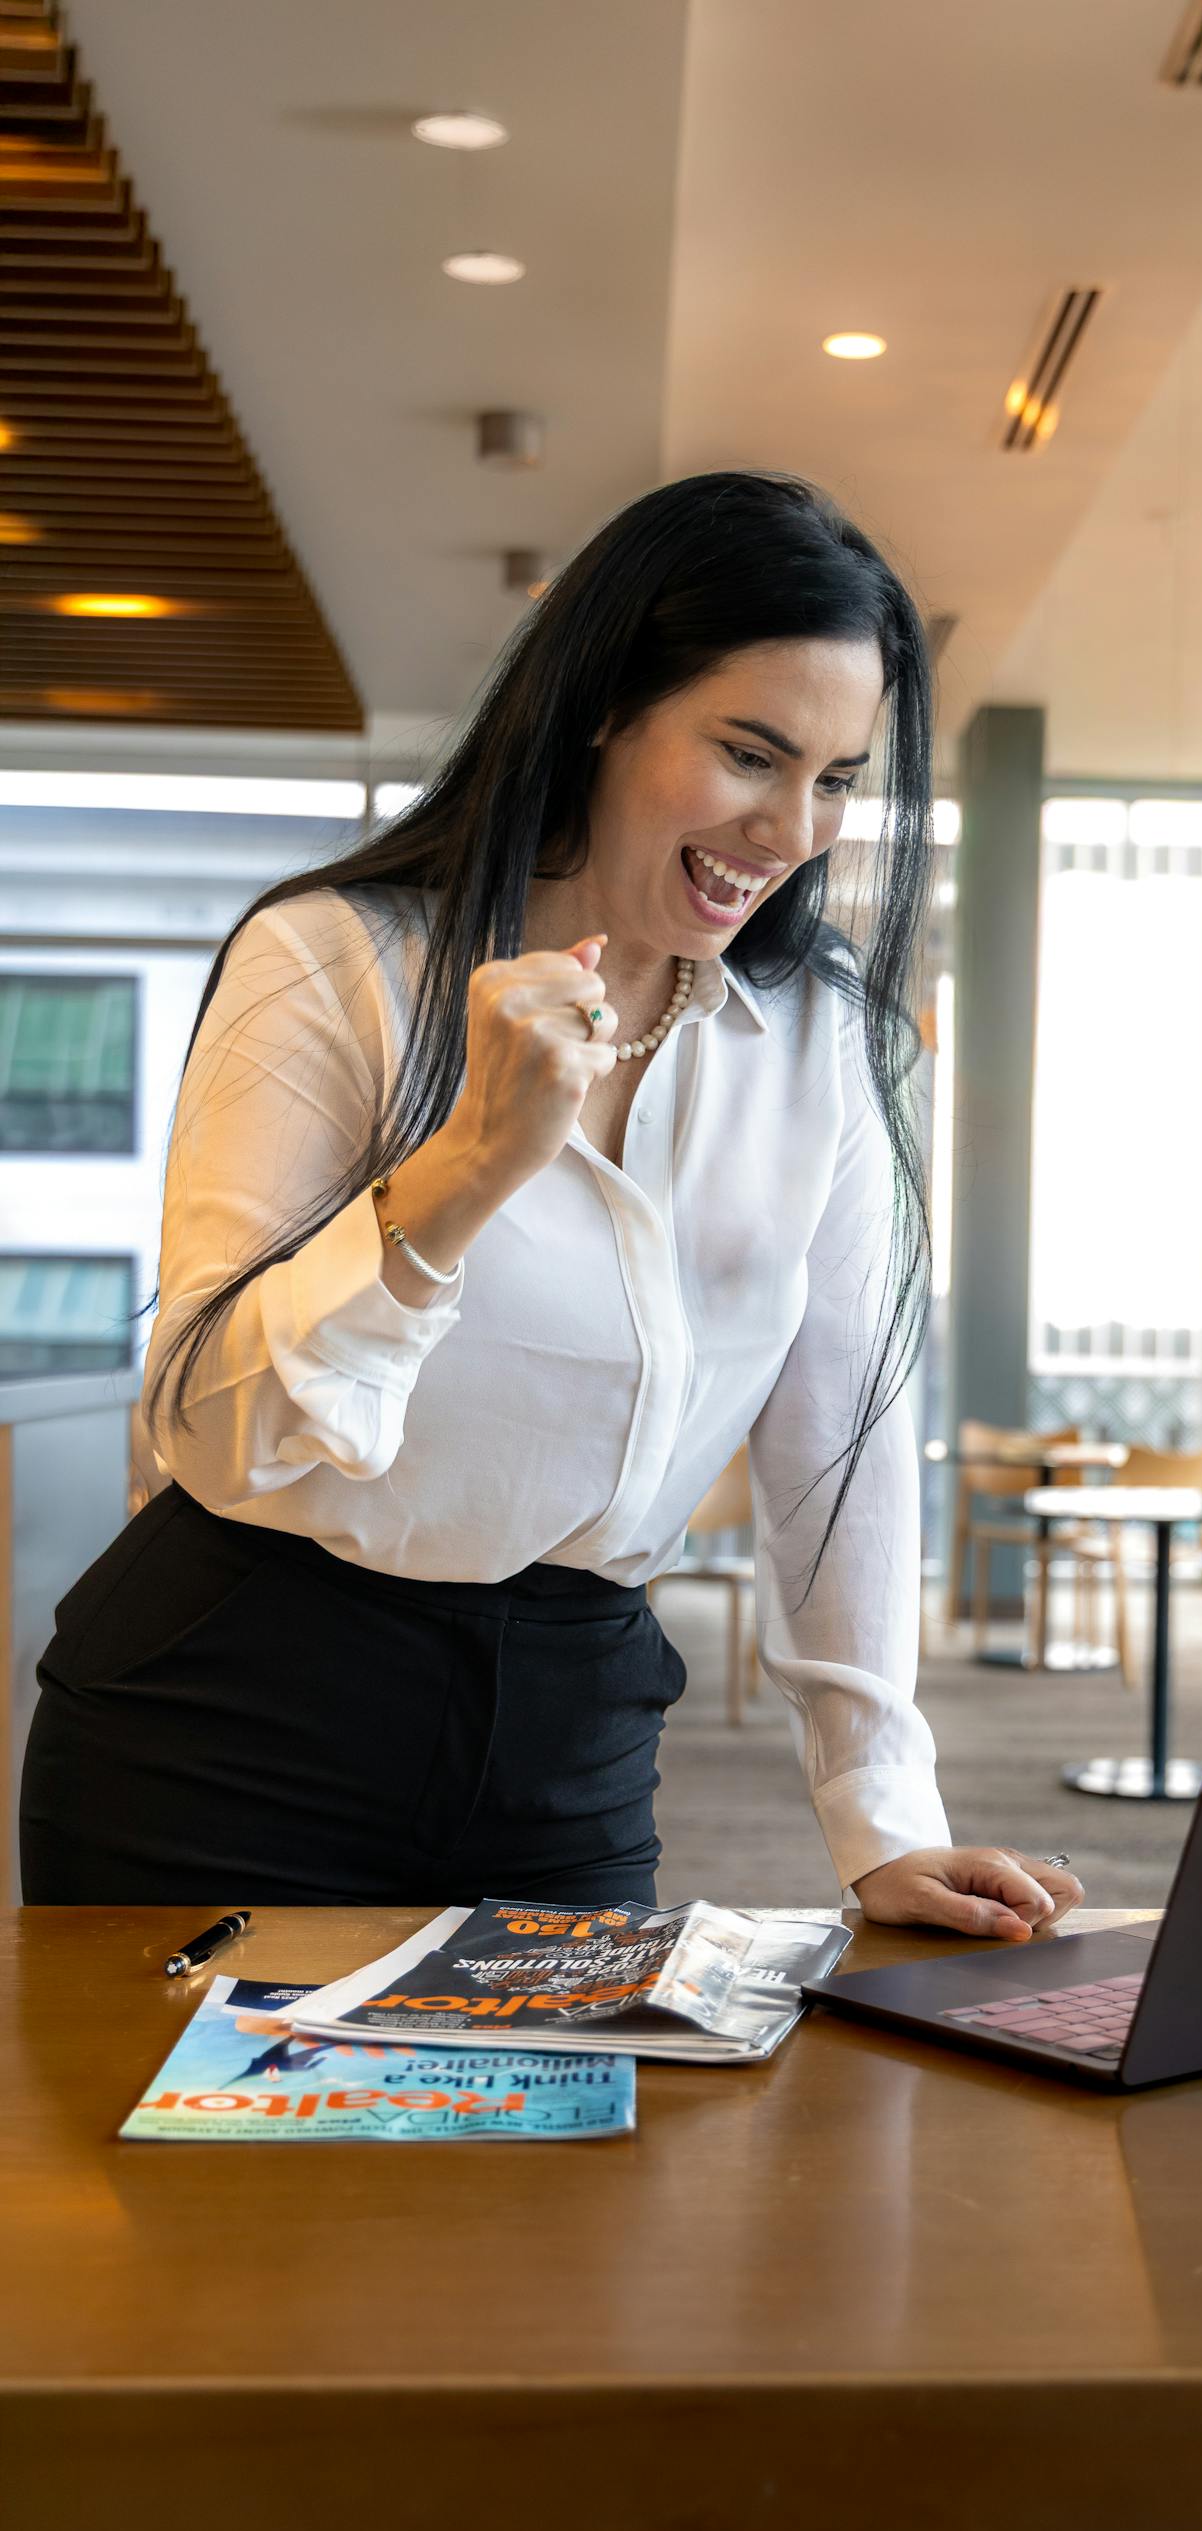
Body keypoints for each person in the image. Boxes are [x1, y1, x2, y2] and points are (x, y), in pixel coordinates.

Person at [22, 470, 1084, 1942]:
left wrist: (885, 1821)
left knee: (569, 2105)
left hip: (570, 1736)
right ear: (602, 707)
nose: (793, 830)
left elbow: (838, 1438)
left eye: (838, 779)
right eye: (750, 755)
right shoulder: (331, 961)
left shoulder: (825, 1041)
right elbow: (215, 1431)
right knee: (225, 2110)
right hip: (234, 1721)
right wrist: (468, 1163)